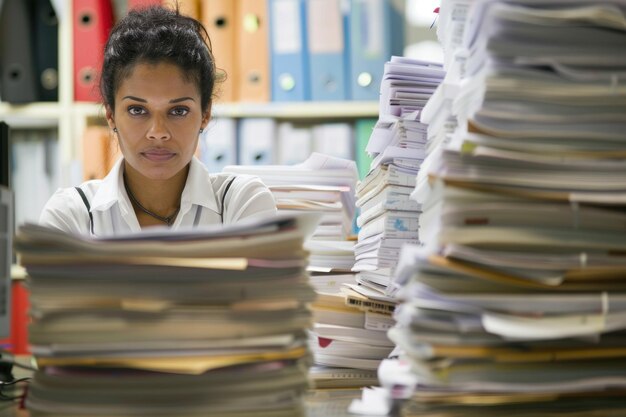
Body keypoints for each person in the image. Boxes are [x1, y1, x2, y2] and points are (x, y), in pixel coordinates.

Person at [39, 5, 276, 236]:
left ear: (205, 114)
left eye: (179, 111)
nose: (158, 132)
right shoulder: (70, 216)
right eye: (137, 110)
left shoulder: (242, 204)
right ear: (110, 115)